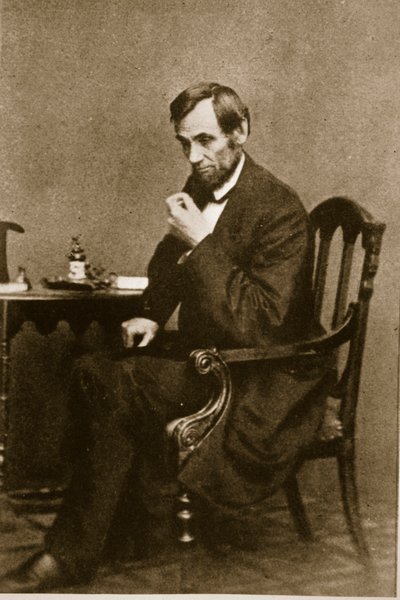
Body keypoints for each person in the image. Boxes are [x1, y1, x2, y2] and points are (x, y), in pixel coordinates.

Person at [1, 82, 332, 592]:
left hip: (262, 380)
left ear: (241, 131)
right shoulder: (203, 181)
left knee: (116, 382)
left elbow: (265, 324)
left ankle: (71, 552)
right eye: (184, 143)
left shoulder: (280, 208)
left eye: (205, 140)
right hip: (213, 359)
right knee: (94, 366)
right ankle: (113, 529)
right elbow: (169, 259)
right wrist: (153, 314)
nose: (194, 157)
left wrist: (202, 240)